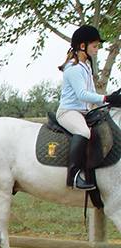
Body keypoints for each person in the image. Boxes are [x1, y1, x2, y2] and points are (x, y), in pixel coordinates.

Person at [56, 25, 121, 190]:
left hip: (84, 112)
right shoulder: (73, 67)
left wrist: (110, 101)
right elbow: (82, 94)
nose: (97, 49)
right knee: (84, 132)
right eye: (95, 45)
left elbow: (92, 93)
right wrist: (106, 97)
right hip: (68, 112)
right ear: (82, 46)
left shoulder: (86, 66)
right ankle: (74, 176)